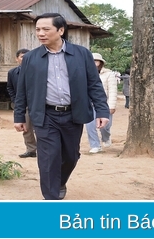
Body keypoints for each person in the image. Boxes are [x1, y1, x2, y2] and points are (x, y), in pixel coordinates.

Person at [13, 13, 109, 200]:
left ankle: (60, 182)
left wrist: (102, 111)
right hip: (45, 115)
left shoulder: (82, 54)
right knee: (48, 159)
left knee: (71, 156)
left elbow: (94, 85)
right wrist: (19, 116)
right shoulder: (31, 58)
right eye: (38, 29)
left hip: (73, 115)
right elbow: (22, 90)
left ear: (61, 30)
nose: (40, 33)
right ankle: (51, 197)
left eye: (46, 29)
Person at [7, 48, 37, 158]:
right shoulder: (12, 73)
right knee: (26, 128)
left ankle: (44, 150)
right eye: (22, 57)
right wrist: (16, 100)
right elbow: (10, 87)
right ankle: (31, 150)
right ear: (17, 59)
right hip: (22, 105)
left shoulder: (37, 71)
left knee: (41, 128)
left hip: (36, 103)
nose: (25, 59)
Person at [86, 53, 117, 154]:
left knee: (105, 126)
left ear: (100, 62)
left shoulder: (109, 74)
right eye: (92, 60)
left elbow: (112, 90)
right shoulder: (85, 73)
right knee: (90, 126)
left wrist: (111, 106)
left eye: (96, 61)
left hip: (104, 104)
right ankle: (95, 145)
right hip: (90, 104)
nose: (94, 63)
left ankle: (106, 138)